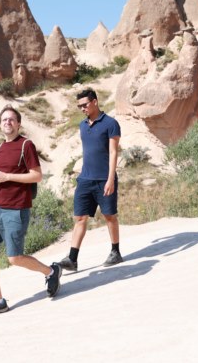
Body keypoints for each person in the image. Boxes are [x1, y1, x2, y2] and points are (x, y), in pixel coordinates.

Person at [0, 105, 62, 318]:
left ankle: (51, 272)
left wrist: (7, 177)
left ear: (18, 123)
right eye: (4, 120)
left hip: (16, 209)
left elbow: (36, 176)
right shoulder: (0, 147)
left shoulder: (26, 145)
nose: (8, 122)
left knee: (14, 258)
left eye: (12, 119)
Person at [59, 88, 123, 272]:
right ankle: (72, 259)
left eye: (84, 105)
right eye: (79, 106)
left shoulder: (111, 124)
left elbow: (113, 152)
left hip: (104, 178)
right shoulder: (82, 125)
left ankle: (115, 251)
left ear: (95, 101)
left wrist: (110, 178)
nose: (82, 109)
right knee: (80, 217)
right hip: (85, 179)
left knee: (109, 216)